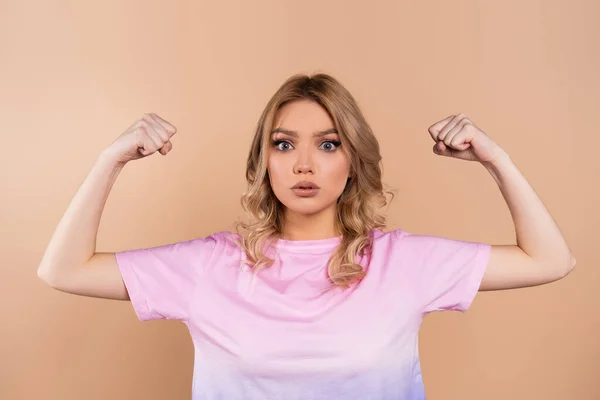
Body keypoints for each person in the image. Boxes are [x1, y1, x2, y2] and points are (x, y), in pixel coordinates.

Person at [37, 73, 576, 399]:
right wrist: (111, 161)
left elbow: (549, 260)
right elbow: (62, 270)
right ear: (263, 161)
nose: (303, 164)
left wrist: (495, 160)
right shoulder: (208, 267)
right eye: (284, 143)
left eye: (327, 144)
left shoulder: (402, 263)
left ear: (353, 162)